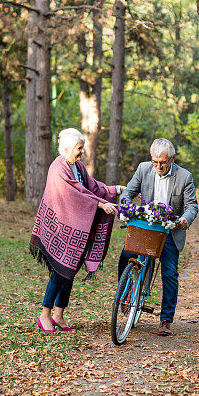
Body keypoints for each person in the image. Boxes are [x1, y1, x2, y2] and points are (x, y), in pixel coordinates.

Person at [30, 128, 125, 333]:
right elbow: (74, 195)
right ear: (67, 148)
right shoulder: (58, 168)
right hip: (60, 228)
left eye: (82, 148)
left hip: (75, 229)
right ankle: (44, 314)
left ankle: (58, 314)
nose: (81, 152)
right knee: (60, 271)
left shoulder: (77, 166)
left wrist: (115, 189)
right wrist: (100, 205)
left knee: (69, 272)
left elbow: (92, 187)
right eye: (79, 148)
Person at [118, 138, 198, 336]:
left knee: (169, 273)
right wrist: (126, 206)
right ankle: (125, 293)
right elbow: (128, 193)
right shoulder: (144, 169)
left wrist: (184, 220)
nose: (158, 166)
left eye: (162, 162)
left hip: (170, 230)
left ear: (172, 159)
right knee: (125, 256)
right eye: (155, 161)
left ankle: (165, 320)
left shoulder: (184, 176)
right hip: (145, 226)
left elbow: (192, 206)